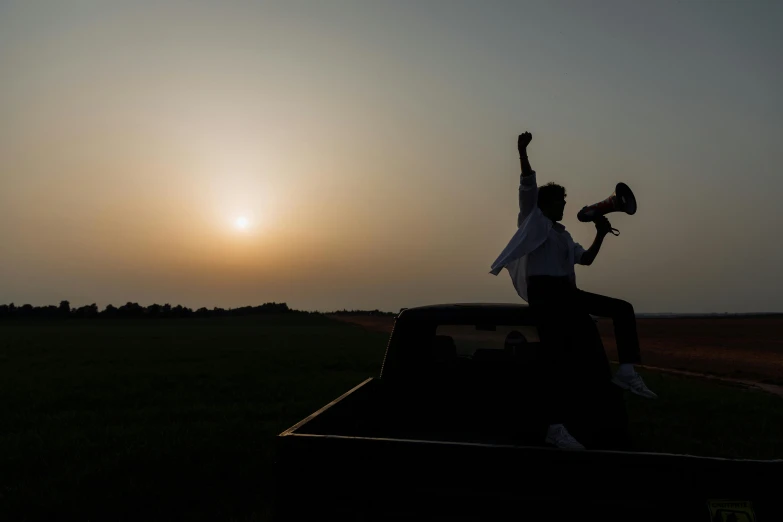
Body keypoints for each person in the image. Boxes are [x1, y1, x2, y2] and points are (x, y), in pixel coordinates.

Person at [489, 131, 656, 450]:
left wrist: (601, 235)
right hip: (548, 296)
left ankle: (624, 372)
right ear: (546, 204)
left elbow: (587, 260)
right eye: (561, 200)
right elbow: (527, 185)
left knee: (618, 313)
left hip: (566, 296)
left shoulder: (564, 236)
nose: (565, 204)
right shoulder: (533, 220)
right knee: (557, 363)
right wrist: (523, 153)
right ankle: (554, 426)